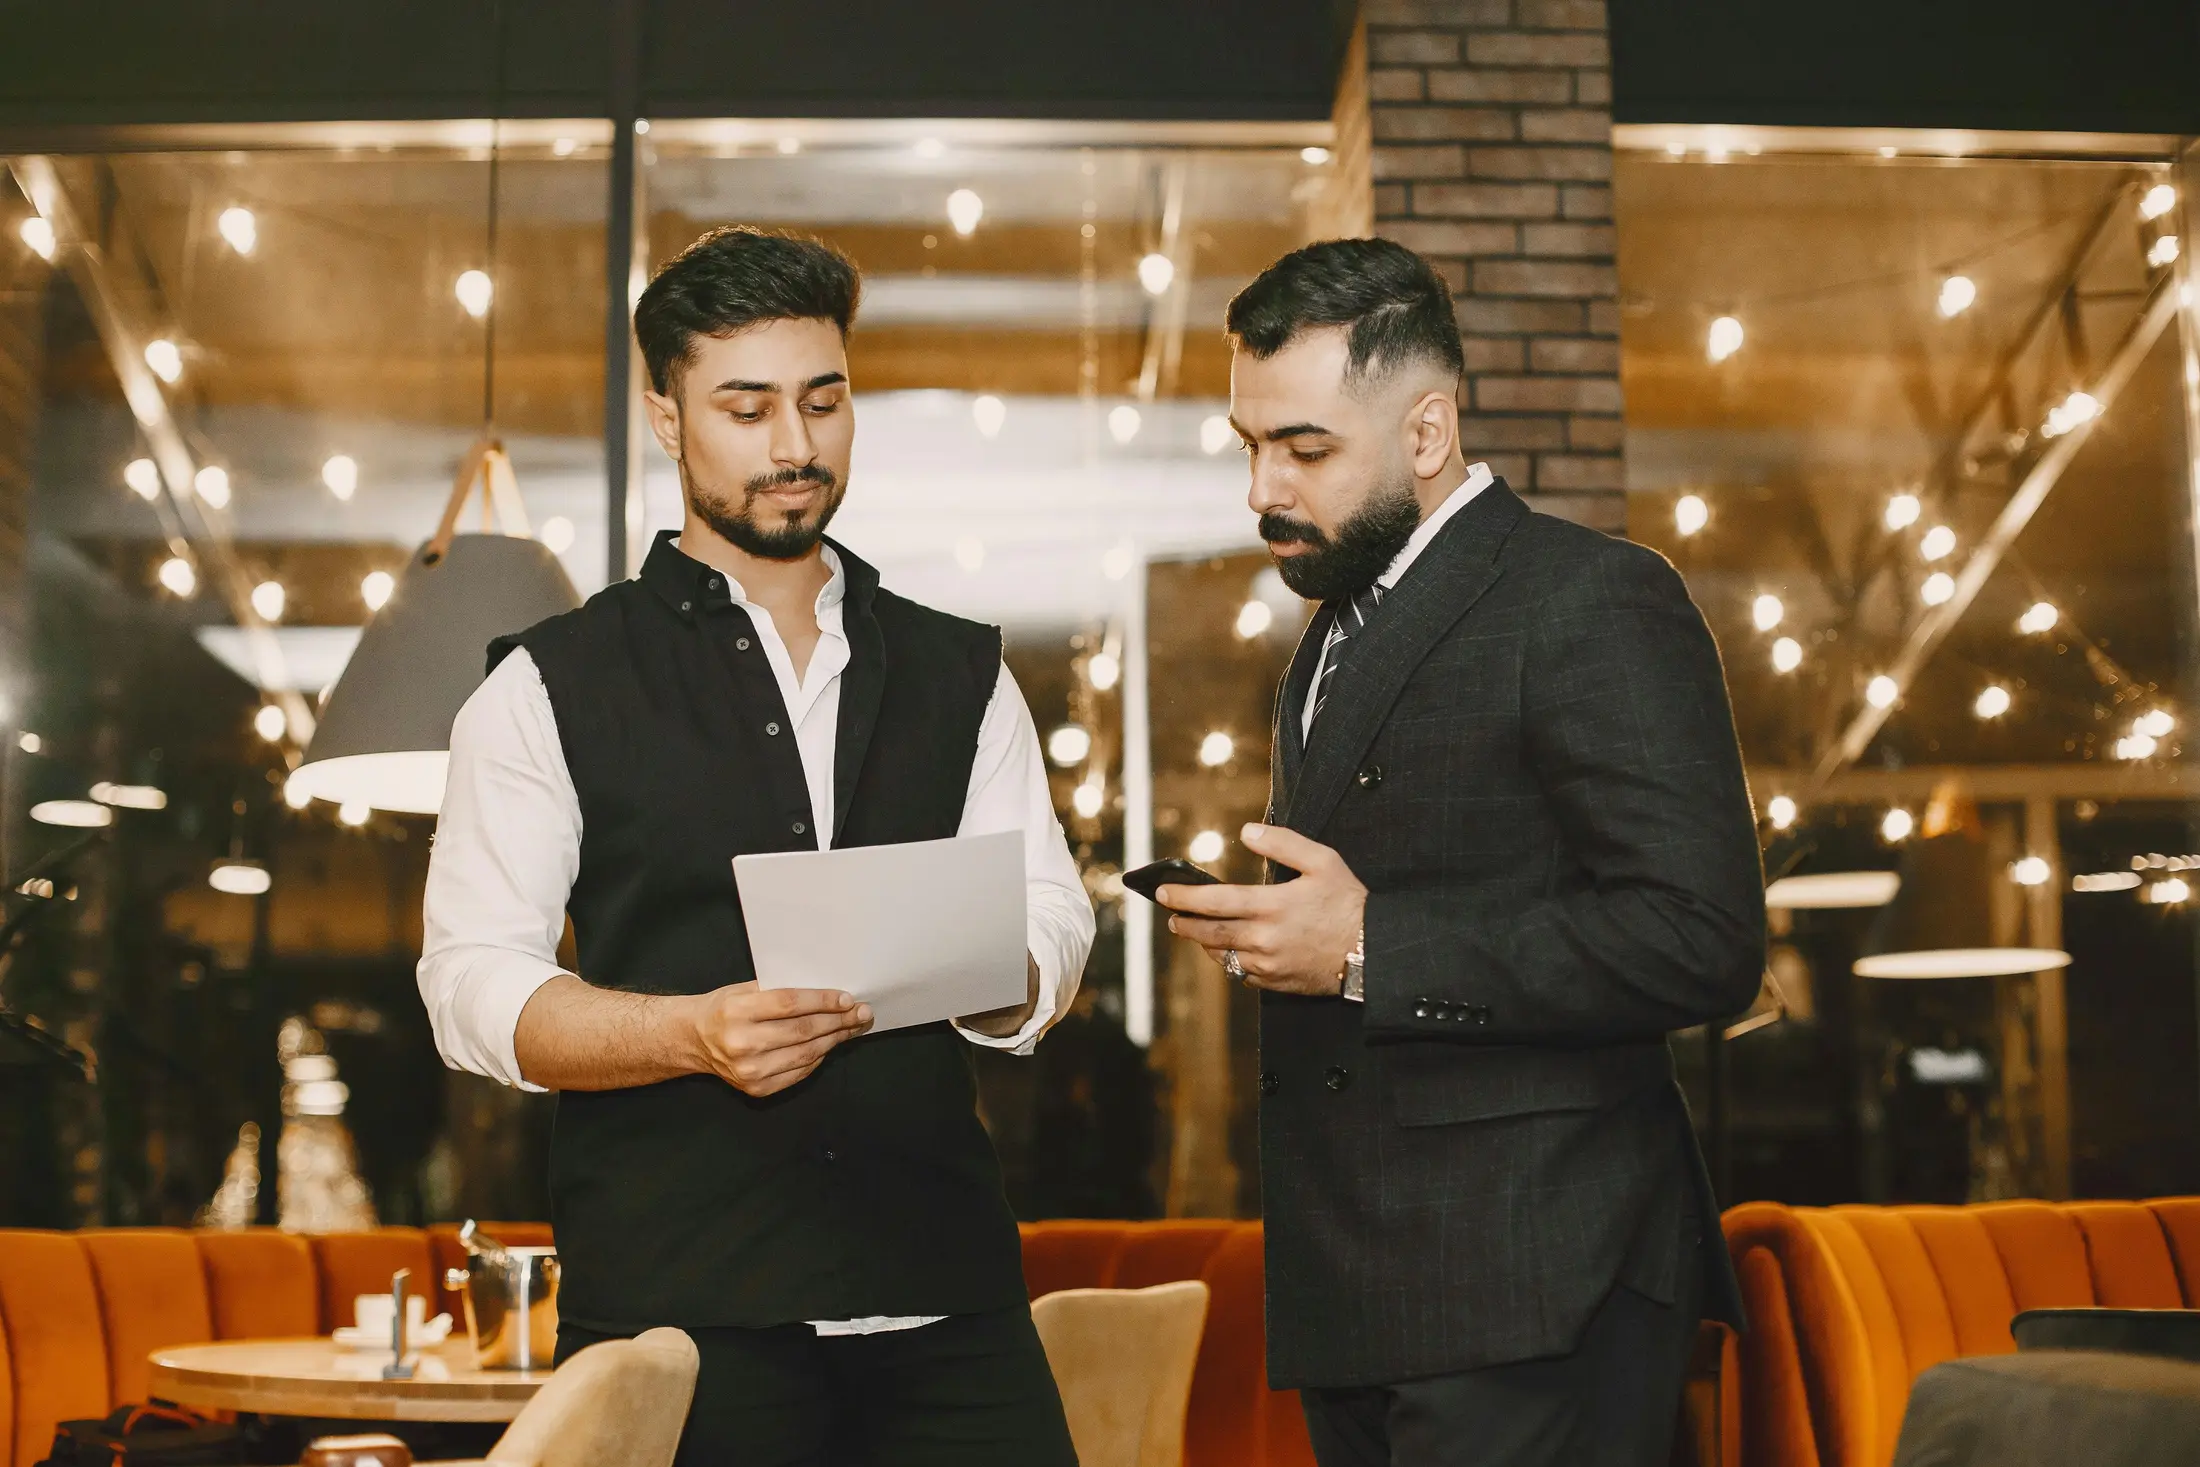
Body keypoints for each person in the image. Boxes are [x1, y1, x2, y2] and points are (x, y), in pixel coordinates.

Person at [417, 226, 1090, 1467]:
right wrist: (685, 1034)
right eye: (749, 406)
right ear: (670, 419)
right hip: (681, 1324)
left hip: (950, 1303)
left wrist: (1003, 979)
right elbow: (470, 985)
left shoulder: (964, 672)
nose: (797, 445)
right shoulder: (548, 686)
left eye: (824, 401)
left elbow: (1051, 913)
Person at [1158, 237, 1765, 1467]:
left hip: (1539, 1279)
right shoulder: (1333, 633)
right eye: (1251, 445)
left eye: (1306, 448)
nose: (1262, 488)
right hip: (1368, 1287)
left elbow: (1702, 942)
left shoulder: (1590, 598)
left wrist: (1369, 945)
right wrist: (1292, 941)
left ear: (1427, 433)